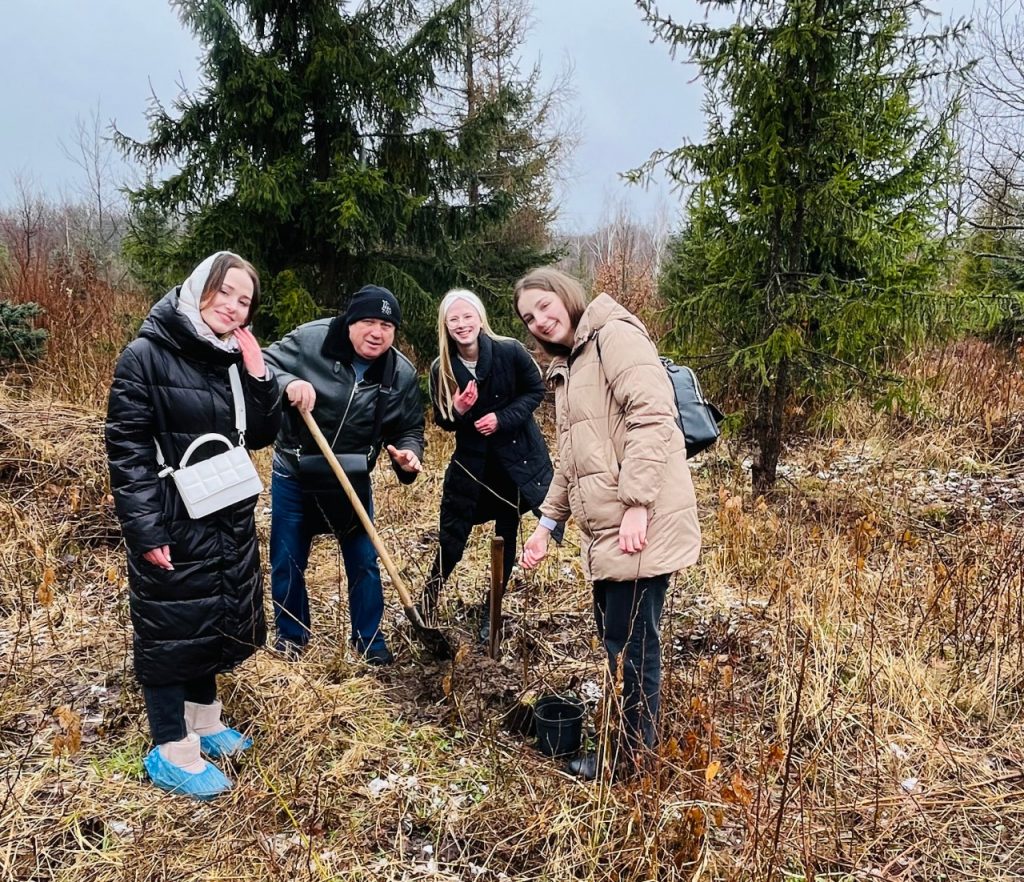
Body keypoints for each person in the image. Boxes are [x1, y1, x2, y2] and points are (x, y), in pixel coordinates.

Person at [105, 252, 281, 800]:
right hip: (171, 514)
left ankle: (205, 722)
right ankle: (171, 748)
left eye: (244, 300)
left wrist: (258, 375)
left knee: (211, 617)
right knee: (169, 628)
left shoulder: (230, 358)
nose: (233, 307)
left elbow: (263, 434)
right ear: (198, 289)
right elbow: (126, 449)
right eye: (224, 292)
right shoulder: (146, 355)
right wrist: (146, 530)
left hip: (225, 509)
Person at [514, 267, 701, 781]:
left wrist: (638, 502)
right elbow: (573, 458)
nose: (540, 320)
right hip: (608, 530)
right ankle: (630, 744)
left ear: (565, 295)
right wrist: (547, 525)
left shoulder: (614, 336)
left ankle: (633, 762)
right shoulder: (570, 363)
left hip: (639, 522)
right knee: (619, 639)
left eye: (545, 306)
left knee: (634, 645)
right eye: (529, 317)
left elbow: (654, 417)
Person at [263, 285, 425, 666]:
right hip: (295, 470)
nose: (377, 332)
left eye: (387, 325)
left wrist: (409, 455)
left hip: (351, 475)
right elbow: (260, 364)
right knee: (287, 558)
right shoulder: (310, 341)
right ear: (350, 321)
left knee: (364, 560)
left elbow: (410, 428)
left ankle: (370, 640)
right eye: (368, 321)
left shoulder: (399, 373)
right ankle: (291, 636)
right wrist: (289, 383)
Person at [420, 289, 556, 639]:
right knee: (452, 536)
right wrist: (460, 411)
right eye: (454, 319)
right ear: (446, 326)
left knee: (506, 534)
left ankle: (490, 613)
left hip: (513, 462)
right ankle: (426, 604)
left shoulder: (510, 351)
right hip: (472, 467)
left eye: (468, 317)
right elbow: (444, 420)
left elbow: (535, 392)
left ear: (480, 319)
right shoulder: (442, 367)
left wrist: (501, 418)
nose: (462, 325)